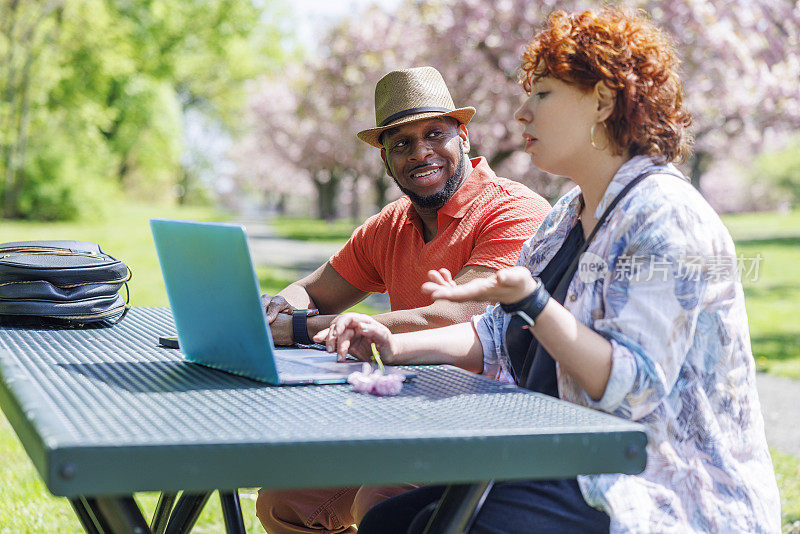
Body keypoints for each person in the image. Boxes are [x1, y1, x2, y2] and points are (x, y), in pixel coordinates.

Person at [317, 7, 781, 533]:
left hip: (656, 489)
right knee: (390, 519)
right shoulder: (566, 214)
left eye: (542, 94)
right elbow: (495, 335)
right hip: (561, 467)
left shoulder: (666, 217)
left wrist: (532, 304)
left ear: (602, 102)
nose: (521, 113)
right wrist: (390, 344)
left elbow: (632, 387)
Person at [255, 66, 551, 533]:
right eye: (401, 144)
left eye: (435, 134)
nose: (421, 153)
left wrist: (298, 327)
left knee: (381, 502)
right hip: (399, 417)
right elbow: (312, 290)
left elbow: (451, 316)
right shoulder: (391, 224)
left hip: (488, 426)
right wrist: (280, 304)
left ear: (464, 138)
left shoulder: (514, 211)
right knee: (284, 501)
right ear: (385, 161)